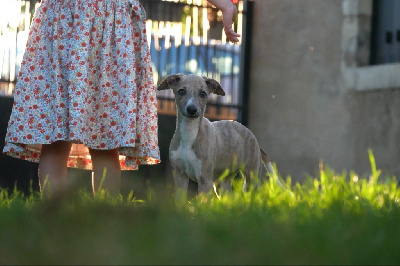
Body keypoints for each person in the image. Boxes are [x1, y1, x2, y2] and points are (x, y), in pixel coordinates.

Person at [3, 0, 240, 196]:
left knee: (59, 139)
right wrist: (223, 5)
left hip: (66, 21)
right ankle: (103, 224)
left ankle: (53, 222)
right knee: (104, 140)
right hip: (106, 26)